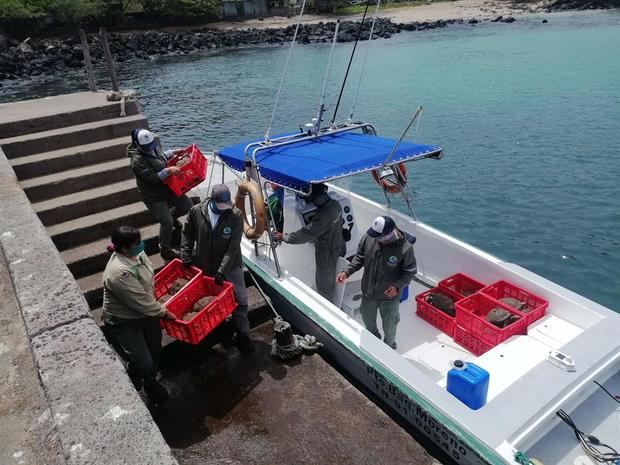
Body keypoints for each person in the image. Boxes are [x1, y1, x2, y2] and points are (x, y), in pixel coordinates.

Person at [102, 226, 176, 403]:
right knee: (144, 361)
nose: (141, 245)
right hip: (124, 320)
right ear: (125, 248)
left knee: (155, 349)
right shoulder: (119, 273)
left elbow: (147, 279)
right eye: (137, 243)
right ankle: (145, 380)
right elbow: (139, 301)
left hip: (146, 314)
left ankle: (149, 380)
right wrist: (164, 312)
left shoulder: (138, 255)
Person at [181, 184, 255, 354]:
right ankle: (222, 331)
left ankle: (243, 334)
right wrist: (185, 254)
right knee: (212, 300)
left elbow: (233, 246)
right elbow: (187, 233)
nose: (224, 210)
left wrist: (223, 270)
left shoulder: (235, 215)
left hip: (231, 264)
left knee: (241, 299)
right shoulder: (196, 211)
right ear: (212, 200)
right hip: (205, 263)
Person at [336, 216, 417, 350]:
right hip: (368, 293)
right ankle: (375, 339)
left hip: (389, 297)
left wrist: (397, 287)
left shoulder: (406, 248)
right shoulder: (369, 237)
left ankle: (389, 346)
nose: (376, 239)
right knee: (367, 320)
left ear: (389, 233)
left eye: (379, 237)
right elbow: (359, 257)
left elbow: (410, 271)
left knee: (390, 326)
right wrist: (347, 272)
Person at [272, 183, 346, 303]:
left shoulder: (322, 216)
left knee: (324, 284)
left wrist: (284, 236)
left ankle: (326, 305)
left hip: (326, 253)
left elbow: (305, 235)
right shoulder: (336, 204)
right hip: (340, 244)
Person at [128, 128, 193, 260]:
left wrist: (173, 152)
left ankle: (173, 217)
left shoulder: (151, 147)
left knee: (187, 205)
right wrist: (168, 171)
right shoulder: (137, 161)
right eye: (147, 147)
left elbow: (159, 156)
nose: (150, 148)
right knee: (166, 222)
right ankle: (165, 249)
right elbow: (152, 179)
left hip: (168, 187)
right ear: (138, 145)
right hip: (152, 195)